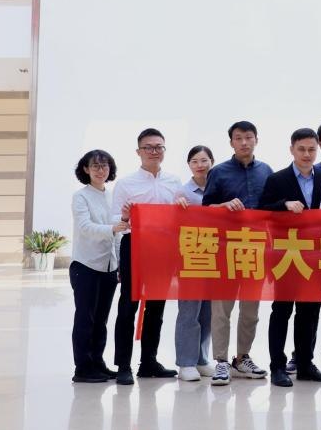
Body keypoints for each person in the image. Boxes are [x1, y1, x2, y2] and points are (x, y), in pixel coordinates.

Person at [259, 127, 321, 387]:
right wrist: (284, 205)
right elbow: (261, 211)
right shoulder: (277, 179)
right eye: (301, 149)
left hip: (316, 256)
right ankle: (277, 367)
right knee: (281, 311)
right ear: (291, 149)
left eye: (311, 149)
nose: (307, 154)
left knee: (309, 312)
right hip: (286, 255)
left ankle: (305, 364)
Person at [201, 121, 272, 385]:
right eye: (238, 138)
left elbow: (272, 210)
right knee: (222, 309)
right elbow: (205, 210)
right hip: (225, 249)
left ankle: (242, 358)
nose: (244, 142)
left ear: (256, 140)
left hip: (255, 250)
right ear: (231, 142)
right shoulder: (218, 172)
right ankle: (221, 361)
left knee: (251, 310)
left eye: (248, 137)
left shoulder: (266, 171)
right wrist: (223, 205)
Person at [110, 128, 181, 385]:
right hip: (135, 246)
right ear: (138, 152)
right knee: (128, 306)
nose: (154, 151)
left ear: (164, 150)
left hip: (163, 248)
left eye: (159, 147)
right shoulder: (126, 184)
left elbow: (179, 216)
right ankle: (123, 365)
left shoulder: (174, 182)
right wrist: (125, 216)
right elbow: (114, 220)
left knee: (156, 307)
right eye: (148, 147)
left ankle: (149, 362)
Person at [69, 149, 122, 383]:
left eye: (105, 166)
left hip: (109, 267)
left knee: (101, 319)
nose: (101, 170)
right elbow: (85, 227)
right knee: (85, 318)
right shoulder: (81, 196)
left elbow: (118, 234)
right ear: (86, 169)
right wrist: (112, 229)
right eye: (95, 166)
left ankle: (97, 363)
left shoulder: (112, 196)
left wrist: (120, 264)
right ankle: (82, 368)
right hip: (86, 265)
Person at [173, 145, 215, 381]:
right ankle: (186, 363)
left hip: (215, 255)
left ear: (212, 162)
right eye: (195, 161)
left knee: (207, 312)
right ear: (189, 165)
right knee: (189, 311)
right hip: (191, 256)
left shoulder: (218, 187)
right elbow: (173, 223)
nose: (200, 165)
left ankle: (201, 359)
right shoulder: (183, 192)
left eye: (204, 160)